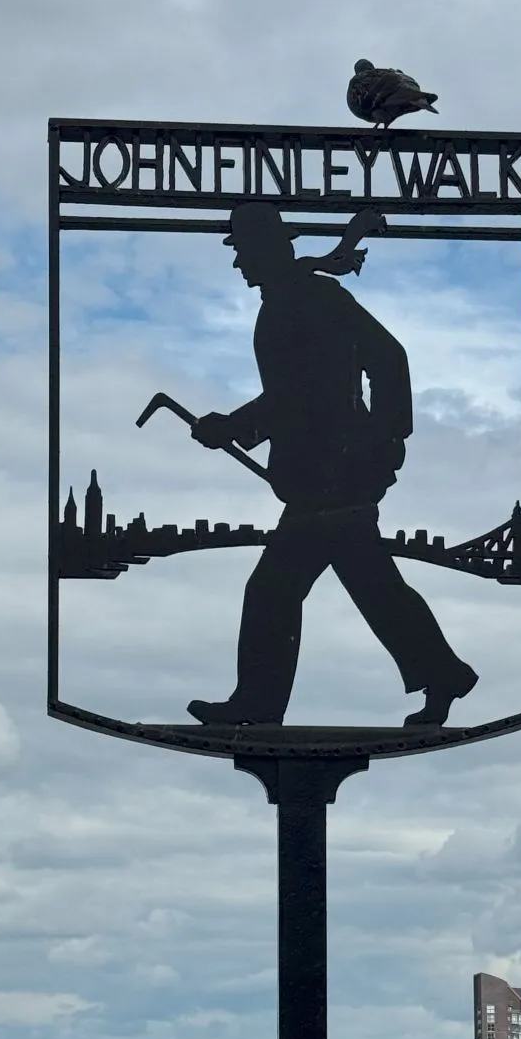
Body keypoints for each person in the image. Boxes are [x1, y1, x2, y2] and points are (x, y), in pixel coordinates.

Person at [186, 202, 478, 729]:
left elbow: (350, 375)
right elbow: (294, 396)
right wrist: (239, 427)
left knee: (277, 590)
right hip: (320, 476)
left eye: (243, 252)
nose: (238, 265)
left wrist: (386, 442)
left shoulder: (312, 299)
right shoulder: (285, 302)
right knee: (370, 585)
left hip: (335, 476)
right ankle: (442, 673)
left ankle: (259, 703)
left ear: (270, 250)